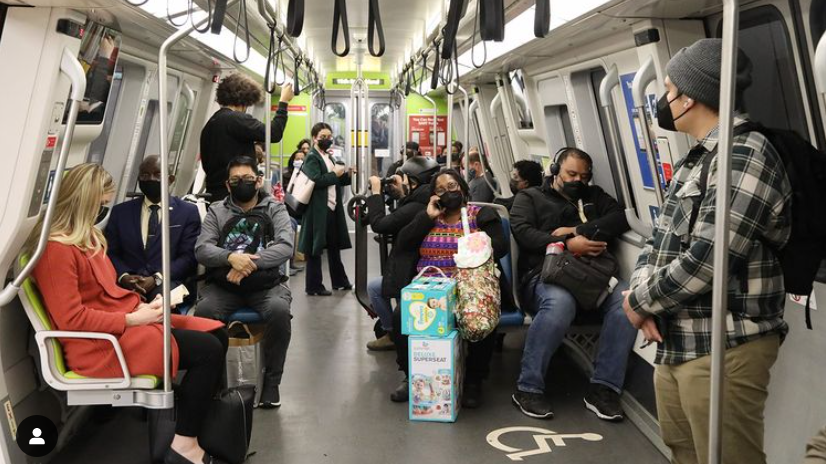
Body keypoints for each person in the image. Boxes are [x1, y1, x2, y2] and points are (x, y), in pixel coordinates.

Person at [624, 39, 791, 464]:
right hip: (678, 340)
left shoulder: (743, 155)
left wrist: (638, 302)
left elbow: (709, 259)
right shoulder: (696, 160)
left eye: (668, 90)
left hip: (726, 342)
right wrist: (639, 296)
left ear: (690, 96)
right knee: (685, 453)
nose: (664, 101)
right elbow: (657, 239)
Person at [25, 164, 226, 464]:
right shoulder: (57, 252)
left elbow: (107, 295)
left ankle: (198, 426)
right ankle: (185, 444)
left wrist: (143, 307)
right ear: (82, 203)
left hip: (118, 330)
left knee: (216, 331)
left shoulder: (87, 240)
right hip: (100, 346)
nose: (103, 211)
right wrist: (133, 319)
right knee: (207, 351)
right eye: (99, 205)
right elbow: (71, 319)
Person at [509, 148, 635, 421]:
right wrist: (565, 244)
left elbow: (620, 218)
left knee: (627, 301)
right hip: (544, 274)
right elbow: (524, 233)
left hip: (591, 275)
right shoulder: (529, 197)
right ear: (555, 171)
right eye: (571, 174)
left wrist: (577, 231)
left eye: (583, 176)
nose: (577, 181)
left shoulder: (593, 197)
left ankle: (603, 388)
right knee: (560, 303)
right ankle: (528, 387)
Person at [389, 169, 507, 408]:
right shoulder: (429, 217)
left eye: (452, 186)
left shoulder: (480, 214)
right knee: (401, 314)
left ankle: (474, 379)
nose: (448, 192)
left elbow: (500, 246)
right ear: (434, 196)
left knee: (478, 316)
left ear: (462, 188)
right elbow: (403, 242)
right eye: (441, 190)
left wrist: (473, 245)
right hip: (431, 286)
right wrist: (427, 216)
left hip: (469, 285)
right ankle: (411, 376)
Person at [194, 156, 294, 409]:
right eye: (236, 180)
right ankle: (214, 381)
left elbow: (285, 247)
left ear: (259, 181)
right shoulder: (217, 211)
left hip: (264, 284)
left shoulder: (275, 209)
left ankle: (272, 383)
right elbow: (202, 249)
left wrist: (246, 264)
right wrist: (230, 257)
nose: (243, 184)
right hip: (225, 286)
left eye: (248, 179)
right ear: (228, 185)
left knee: (279, 311)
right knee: (204, 313)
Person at [364, 156, 439, 351]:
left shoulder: (415, 207)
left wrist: (376, 192)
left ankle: (392, 334)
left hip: (410, 271)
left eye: (402, 178)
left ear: (413, 182)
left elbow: (380, 224)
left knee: (374, 288)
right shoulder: (423, 200)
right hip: (416, 266)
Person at [105, 155, 200, 303]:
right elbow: (111, 252)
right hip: (127, 283)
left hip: (168, 283)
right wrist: (124, 276)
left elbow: (188, 257)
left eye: (157, 174)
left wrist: (157, 278)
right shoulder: (120, 212)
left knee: (161, 304)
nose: (151, 179)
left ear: (170, 179)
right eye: (145, 175)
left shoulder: (187, 212)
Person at [200, 75, 294, 202]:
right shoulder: (235, 118)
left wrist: (250, 149)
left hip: (215, 194)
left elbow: (226, 150)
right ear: (245, 101)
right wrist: (284, 102)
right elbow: (274, 133)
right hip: (235, 195)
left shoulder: (212, 122)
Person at [298, 123, 353, 296]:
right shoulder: (312, 157)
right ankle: (313, 286)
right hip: (318, 209)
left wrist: (346, 176)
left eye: (329, 136)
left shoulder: (328, 156)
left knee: (334, 246)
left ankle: (340, 281)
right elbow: (317, 181)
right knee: (316, 248)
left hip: (331, 207)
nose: (327, 139)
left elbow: (333, 180)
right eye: (323, 136)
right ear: (314, 137)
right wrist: (335, 175)